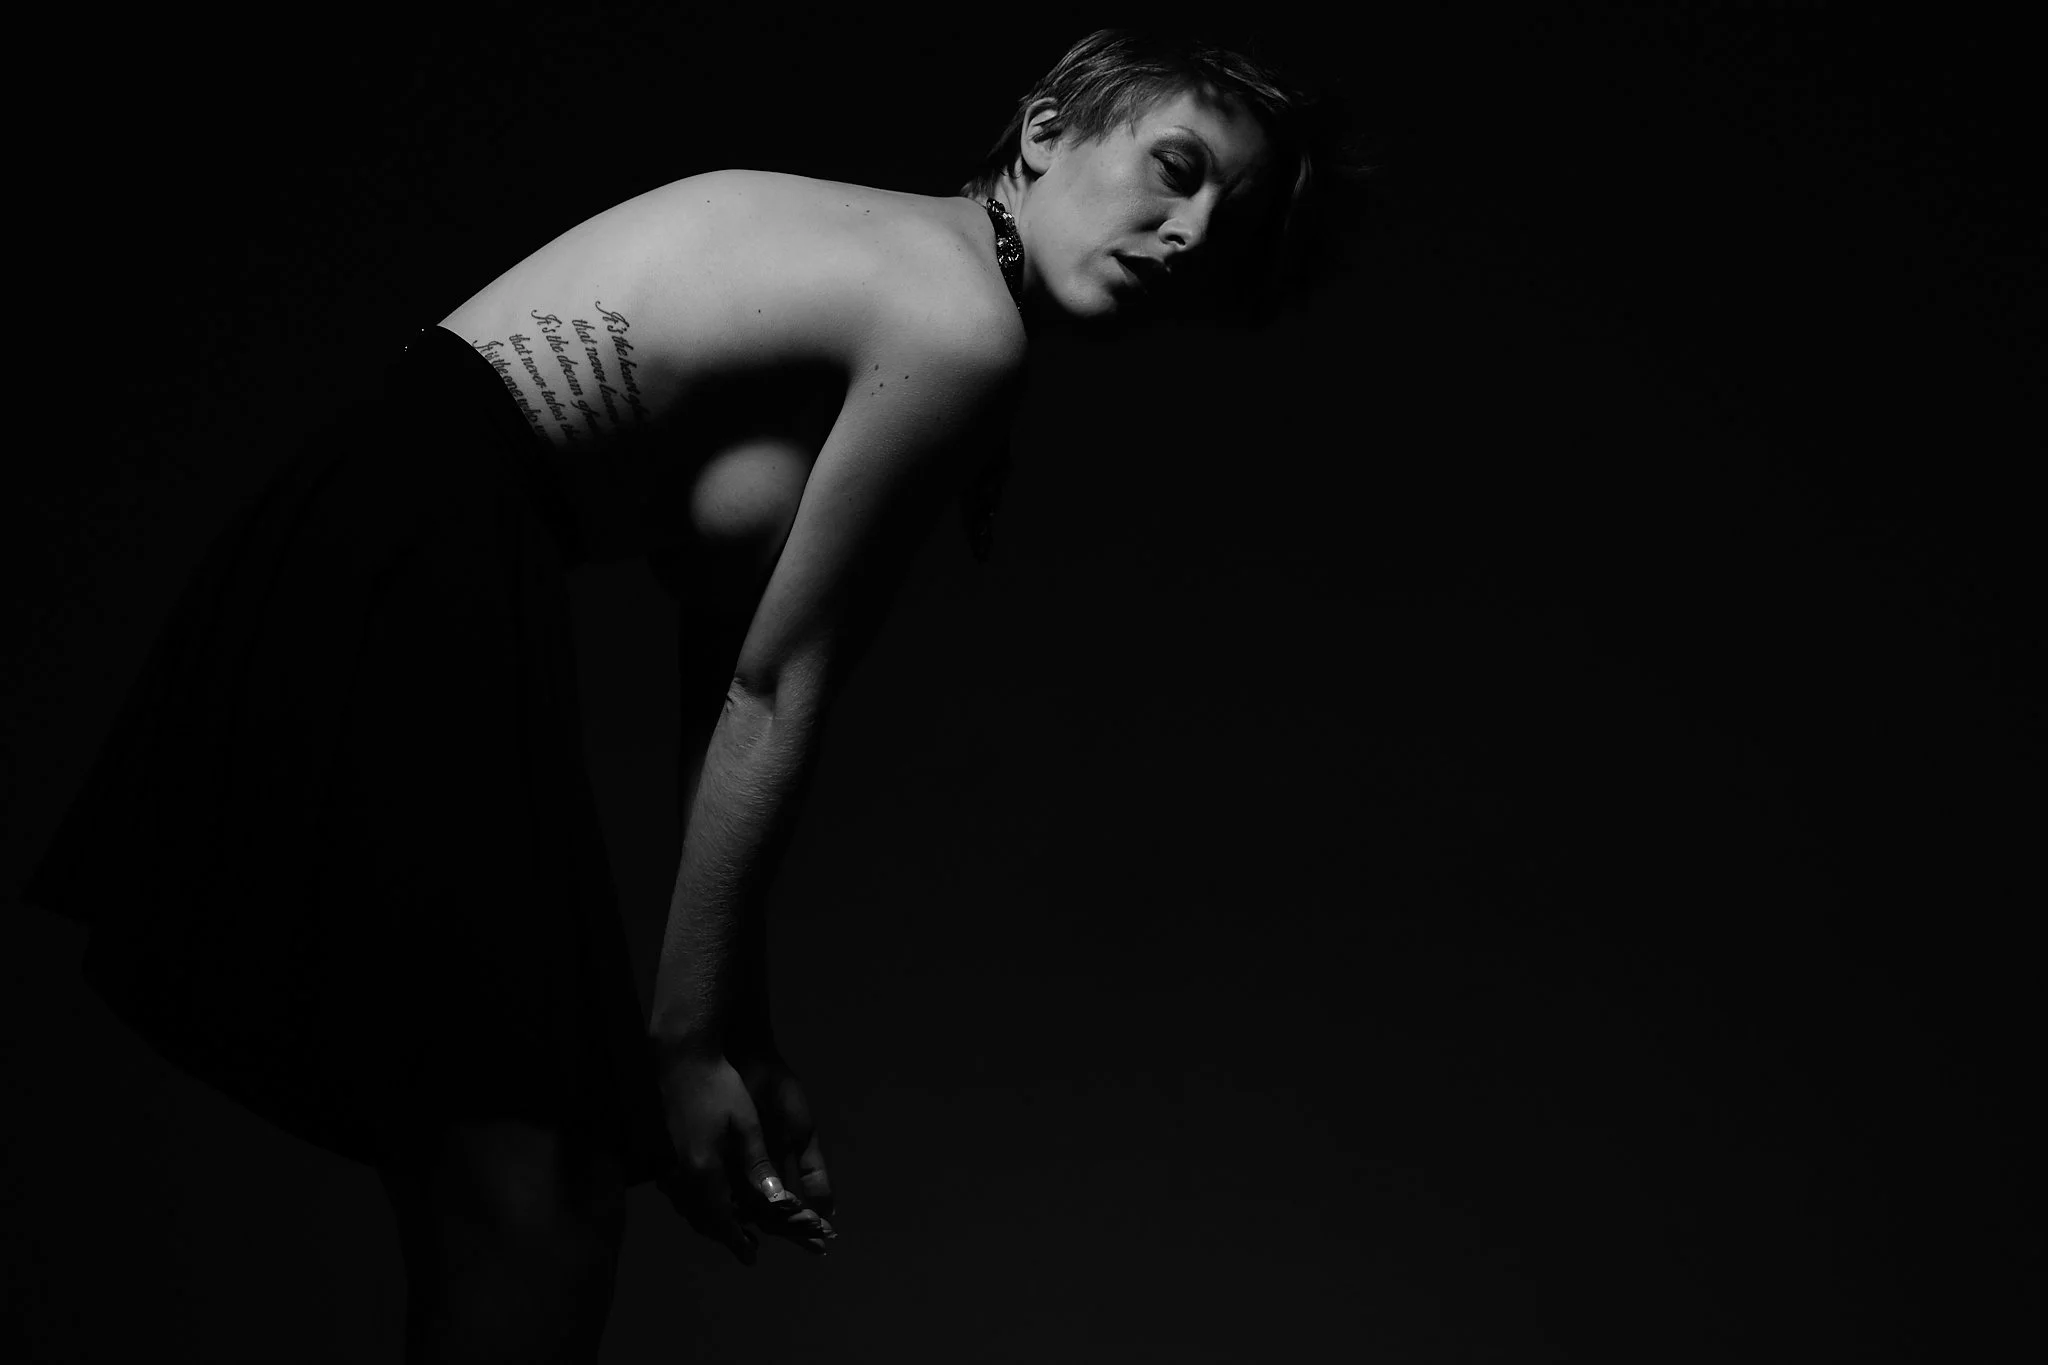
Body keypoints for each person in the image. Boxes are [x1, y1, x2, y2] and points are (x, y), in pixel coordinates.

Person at [21, 27, 1362, 1362]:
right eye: (1173, 167)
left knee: (518, 1193)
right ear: (1046, 133)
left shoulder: (889, 265)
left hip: (368, 541)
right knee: (534, 1209)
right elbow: (775, 691)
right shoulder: (955, 322)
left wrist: (729, 1026)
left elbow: (722, 655)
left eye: (1226, 221)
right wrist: (679, 1045)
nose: (1188, 231)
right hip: (416, 561)